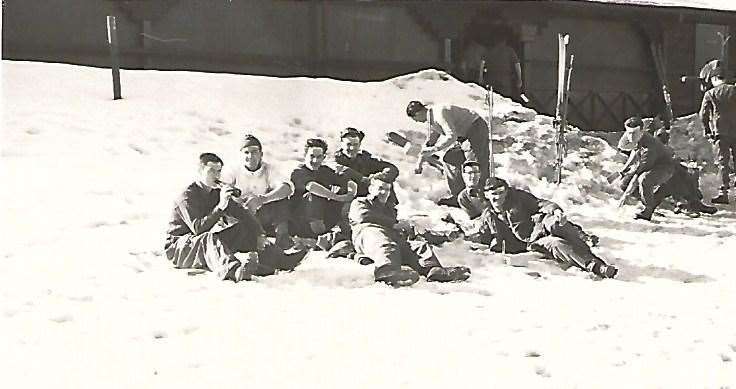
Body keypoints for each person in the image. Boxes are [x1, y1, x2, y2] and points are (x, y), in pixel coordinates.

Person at [164, 153, 303, 282]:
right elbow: (198, 229)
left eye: (218, 171)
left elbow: (243, 214)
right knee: (209, 238)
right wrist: (220, 207)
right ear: (200, 172)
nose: (216, 175)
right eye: (211, 171)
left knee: (243, 228)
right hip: (179, 249)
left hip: (202, 245)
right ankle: (234, 271)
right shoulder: (187, 197)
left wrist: (259, 234)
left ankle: (281, 260)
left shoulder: (215, 193)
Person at [479, 177, 617, 278]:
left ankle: (583, 240)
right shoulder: (488, 216)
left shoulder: (517, 197)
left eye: (501, 191)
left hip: (540, 225)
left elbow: (540, 203)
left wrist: (556, 211)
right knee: (557, 243)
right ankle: (597, 267)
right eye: (493, 193)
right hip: (533, 242)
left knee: (555, 224)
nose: (498, 196)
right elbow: (482, 236)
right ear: (486, 195)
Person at [349, 175, 471, 287]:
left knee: (418, 246)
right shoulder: (360, 202)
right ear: (371, 189)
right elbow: (362, 216)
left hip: (391, 235)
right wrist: (394, 224)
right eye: (380, 188)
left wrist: (407, 229)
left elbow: (397, 228)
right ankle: (386, 271)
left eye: (387, 190)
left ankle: (433, 270)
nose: (383, 193)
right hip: (367, 233)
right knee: (385, 243)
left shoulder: (390, 209)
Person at [406, 100, 490, 207]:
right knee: (450, 158)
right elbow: (430, 142)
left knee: (473, 164)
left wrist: (434, 150)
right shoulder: (431, 120)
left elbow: (451, 136)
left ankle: (480, 197)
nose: (417, 122)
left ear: (418, 113)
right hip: (463, 137)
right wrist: (419, 164)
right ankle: (458, 196)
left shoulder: (440, 113)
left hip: (475, 128)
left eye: (415, 119)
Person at [221, 134, 295, 248]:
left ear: (261, 154)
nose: (250, 156)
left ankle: (282, 238)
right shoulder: (233, 170)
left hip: (262, 214)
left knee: (280, 198)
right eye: (246, 152)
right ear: (241, 154)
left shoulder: (269, 169)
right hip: (240, 215)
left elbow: (287, 188)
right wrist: (241, 203)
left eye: (254, 152)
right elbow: (221, 187)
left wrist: (262, 199)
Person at [290, 138, 358, 243]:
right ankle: (322, 238)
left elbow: (348, 182)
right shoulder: (299, 172)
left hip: (323, 217)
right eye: (312, 156)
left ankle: (346, 230)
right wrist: (336, 197)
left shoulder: (325, 170)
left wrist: (350, 193)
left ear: (324, 157)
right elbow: (311, 187)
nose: (315, 161)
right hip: (302, 222)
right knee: (314, 195)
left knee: (344, 192)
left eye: (319, 157)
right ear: (305, 156)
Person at [616, 116, 677, 220]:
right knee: (624, 183)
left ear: (641, 131)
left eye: (633, 133)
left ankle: (648, 209)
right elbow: (634, 151)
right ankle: (652, 198)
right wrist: (624, 169)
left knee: (644, 179)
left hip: (664, 168)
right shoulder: (637, 137)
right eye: (629, 133)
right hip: (649, 165)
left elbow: (640, 172)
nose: (630, 137)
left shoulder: (649, 148)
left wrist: (625, 196)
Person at [333, 127, 400, 206]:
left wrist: (379, 176)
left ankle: (389, 210)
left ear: (360, 145)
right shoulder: (335, 159)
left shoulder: (364, 159)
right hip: (346, 199)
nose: (352, 148)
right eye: (348, 144)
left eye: (355, 145)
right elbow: (341, 171)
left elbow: (392, 168)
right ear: (341, 144)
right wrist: (363, 179)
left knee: (385, 180)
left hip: (367, 198)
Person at [699, 66, 736, 204]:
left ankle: (724, 193)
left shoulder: (710, 93)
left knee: (723, 162)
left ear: (715, 79)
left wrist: (707, 130)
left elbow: (703, 114)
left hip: (720, 132)